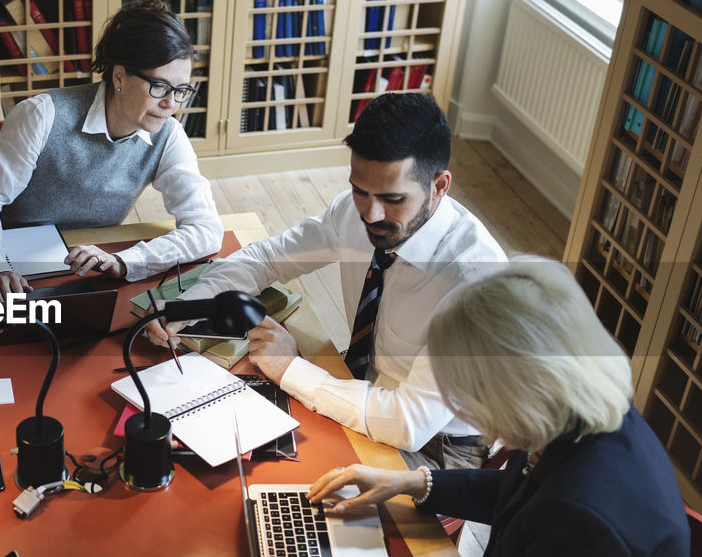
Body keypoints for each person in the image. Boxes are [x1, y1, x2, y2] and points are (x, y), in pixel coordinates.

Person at [260, 258, 702, 557]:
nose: (464, 413)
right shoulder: (582, 413)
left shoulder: (586, 517)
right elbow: (533, 493)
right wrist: (413, 482)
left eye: (471, 397)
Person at [149, 93, 506, 468]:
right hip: (360, 387)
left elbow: (408, 423)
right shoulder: (355, 212)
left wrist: (290, 368)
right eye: (359, 191)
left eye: (393, 198)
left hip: (436, 445)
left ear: (440, 186)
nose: (371, 214)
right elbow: (267, 258)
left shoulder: (473, 281)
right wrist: (189, 305)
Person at [0, 0, 223, 301]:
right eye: (159, 87)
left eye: (181, 91)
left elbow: (206, 229)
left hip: (80, 268)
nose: (170, 104)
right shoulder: (43, 115)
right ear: (119, 75)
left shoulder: (168, 135)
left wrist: (125, 261)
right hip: (4, 264)